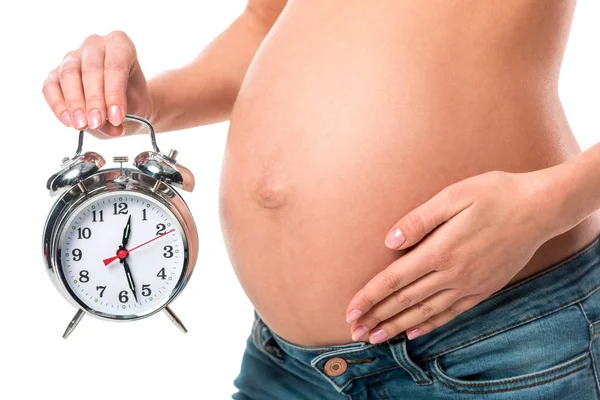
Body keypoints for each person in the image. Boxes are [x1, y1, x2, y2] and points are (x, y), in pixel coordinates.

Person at [42, 1, 600, 398]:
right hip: (288, 367)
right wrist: (149, 101)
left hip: (496, 346)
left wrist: (549, 203)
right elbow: (266, 22)